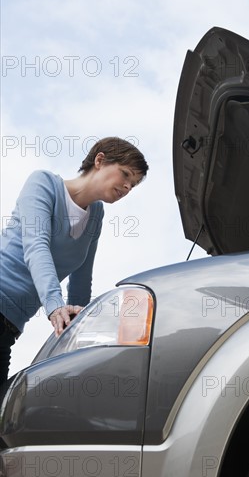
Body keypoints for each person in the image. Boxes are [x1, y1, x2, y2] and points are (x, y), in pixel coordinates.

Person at [0, 136, 148, 387]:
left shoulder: (95, 216)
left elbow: (81, 280)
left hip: (9, 328)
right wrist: (55, 306)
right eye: (125, 174)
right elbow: (36, 246)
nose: (126, 188)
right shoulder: (43, 183)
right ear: (100, 160)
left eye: (132, 185)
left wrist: (79, 332)